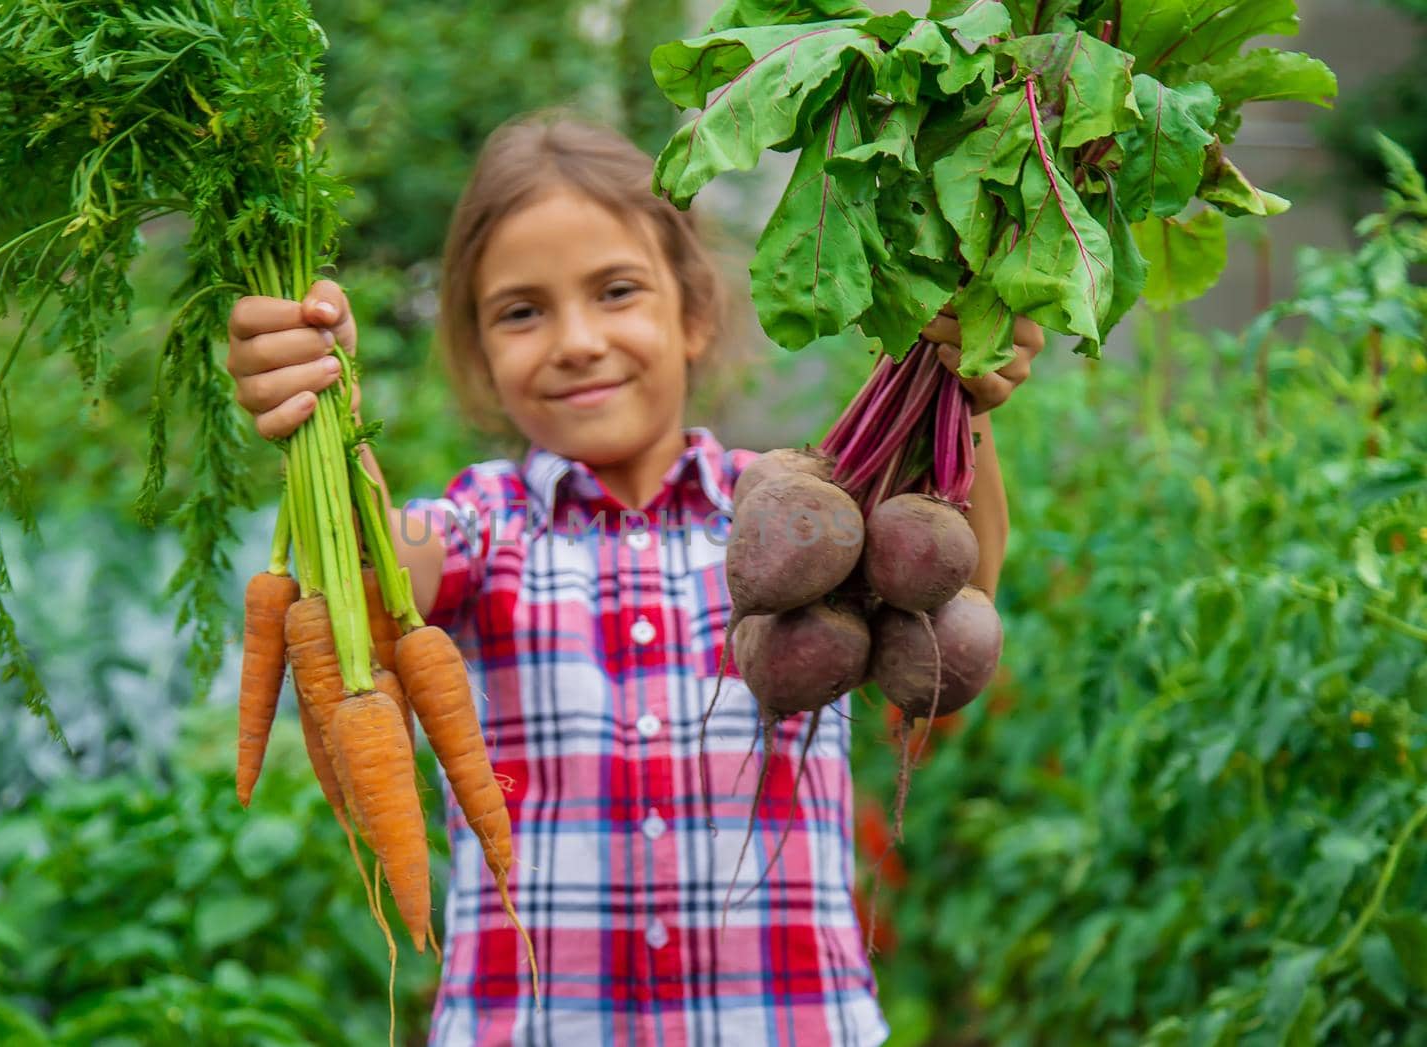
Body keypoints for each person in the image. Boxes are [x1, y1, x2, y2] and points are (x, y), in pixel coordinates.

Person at [226, 111, 1041, 1046]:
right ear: (482, 351)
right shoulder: (482, 519)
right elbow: (384, 563)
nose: (575, 340)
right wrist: (328, 407)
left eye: (616, 291)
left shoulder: (792, 506)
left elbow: (943, 579)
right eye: (522, 311)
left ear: (692, 313)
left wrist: (963, 392)